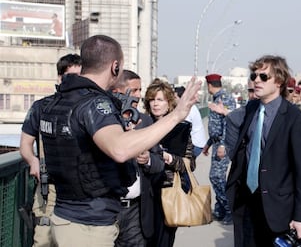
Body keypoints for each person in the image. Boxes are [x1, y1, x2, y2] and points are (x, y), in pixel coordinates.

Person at [38, 35, 200, 246]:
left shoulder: (59, 100)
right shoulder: (94, 104)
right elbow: (120, 150)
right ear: (115, 67)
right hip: (89, 225)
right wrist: (177, 114)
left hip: (66, 214)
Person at [226, 55, 301, 246]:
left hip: (278, 209)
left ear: (279, 81)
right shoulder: (251, 109)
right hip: (246, 203)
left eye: (263, 77)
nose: (256, 80)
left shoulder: (294, 118)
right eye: (254, 75)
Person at [19, 53, 81, 247]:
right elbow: (25, 144)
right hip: (50, 189)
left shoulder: (90, 107)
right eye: (69, 77)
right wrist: (32, 161)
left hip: (83, 190)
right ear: (59, 77)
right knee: (44, 240)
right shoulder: (42, 107)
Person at [111, 70, 165, 247]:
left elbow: (159, 163)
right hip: (107, 210)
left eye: (140, 90)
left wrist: (148, 159)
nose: (139, 95)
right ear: (117, 91)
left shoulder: (146, 121)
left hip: (136, 211)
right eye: (134, 90)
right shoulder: (104, 122)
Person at [144, 79, 197, 247]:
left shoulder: (181, 129)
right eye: (152, 100)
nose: (155, 104)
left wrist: (167, 157)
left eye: (160, 100)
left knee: (163, 241)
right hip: (144, 193)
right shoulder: (141, 124)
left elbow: (190, 164)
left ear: (169, 102)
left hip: (168, 193)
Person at [204, 73, 236, 225]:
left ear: (209, 85)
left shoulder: (226, 99)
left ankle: (229, 209)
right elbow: (215, 126)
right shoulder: (216, 99)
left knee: (217, 177)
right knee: (216, 177)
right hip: (216, 143)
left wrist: (223, 144)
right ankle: (221, 209)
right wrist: (208, 144)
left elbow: (229, 123)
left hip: (223, 144)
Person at [174, 85, 207, 157]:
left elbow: (182, 128)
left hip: (195, 145)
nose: (173, 100)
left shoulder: (187, 109)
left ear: (182, 98)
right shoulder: (189, 106)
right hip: (197, 144)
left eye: (175, 98)